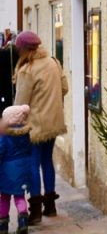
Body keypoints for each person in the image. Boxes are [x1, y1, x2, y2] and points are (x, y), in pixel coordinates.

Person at [13, 33, 68, 227]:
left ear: (25, 49)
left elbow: (20, 103)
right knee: (47, 161)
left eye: (18, 48)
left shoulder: (27, 70)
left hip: (35, 126)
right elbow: (64, 88)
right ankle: (51, 206)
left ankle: (35, 211)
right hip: (53, 123)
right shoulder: (54, 62)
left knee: (32, 164)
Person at [0, 104, 33, 233]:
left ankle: (3, 226)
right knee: (20, 196)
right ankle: (23, 222)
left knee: (4, 197)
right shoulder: (26, 133)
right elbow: (30, 149)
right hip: (23, 169)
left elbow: (1, 151)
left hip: (7, 171)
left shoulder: (4, 135)